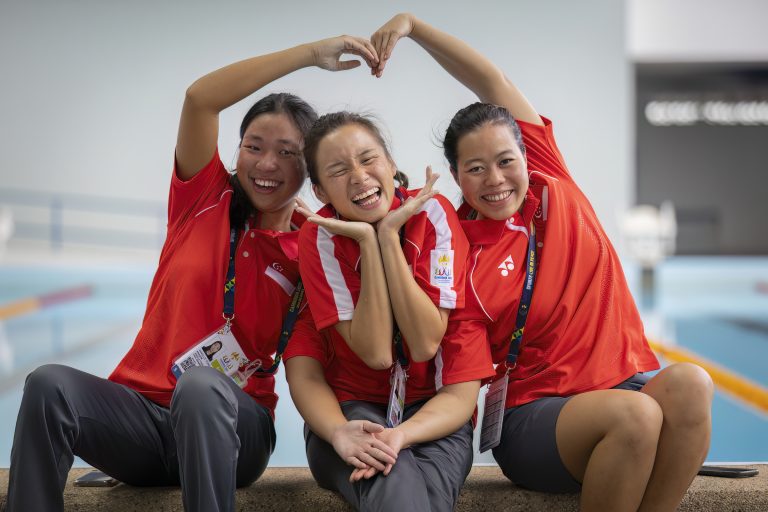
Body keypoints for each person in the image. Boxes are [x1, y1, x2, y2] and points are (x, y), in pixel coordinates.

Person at [6, 35, 378, 512]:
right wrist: (308, 55)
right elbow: (200, 99)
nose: (267, 164)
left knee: (200, 387)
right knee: (47, 384)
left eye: (287, 152)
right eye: (254, 146)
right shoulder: (203, 199)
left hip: (234, 427)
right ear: (237, 151)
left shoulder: (313, 243)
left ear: (308, 166)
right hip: (142, 422)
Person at [370, 13, 715, 512]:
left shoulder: (555, 184)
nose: (495, 179)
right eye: (476, 168)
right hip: (533, 417)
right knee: (634, 415)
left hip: (625, 385)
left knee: (691, 384)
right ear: (456, 176)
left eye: (506, 161)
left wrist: (414, 28)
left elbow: (493, 82)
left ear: (528, 156)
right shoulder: (458, 250)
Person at [284, 110, 493, 511]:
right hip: (352, 410)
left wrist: (388, 237)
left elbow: (425, 343)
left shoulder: (433, 213)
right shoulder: (321, 236)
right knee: (391, 477)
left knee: (417, 489)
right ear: (322, 192)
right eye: (339, 169)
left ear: (391, 165)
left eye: (368, 158)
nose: (359, 176)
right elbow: (378, 353)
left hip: (432, 414)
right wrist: (367, 240)